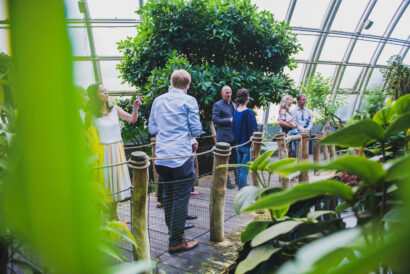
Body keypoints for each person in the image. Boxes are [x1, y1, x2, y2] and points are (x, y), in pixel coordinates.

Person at [149, 69, 202, 253]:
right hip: (181, 157)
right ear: (187, 85)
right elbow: (195, 130)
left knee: (169, 197)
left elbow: (152, 128)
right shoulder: (189, 101)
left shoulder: (158, 100)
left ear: (171, 82)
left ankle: (174, 234)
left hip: (162, 157)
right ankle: (176, 241)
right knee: (181, 198)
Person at [85, 83, 142, 220]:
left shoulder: (115, 109)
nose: (106, 92)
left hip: (117, 149)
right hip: (101, 151)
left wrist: (135, 108)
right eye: (101, 91)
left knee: (115, 183)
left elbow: (132, 119)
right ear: (95, 95)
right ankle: (97, 218)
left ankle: (113, 216)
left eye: (106, 90)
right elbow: (86, 135)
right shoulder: (90, 114)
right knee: (102, 183)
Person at [212, 86, 238, 189]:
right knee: (224, 161)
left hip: (234, 137)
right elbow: (215, 120)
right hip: (223, 138)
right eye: (227, 93)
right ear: (222, 93)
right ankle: (226, 182)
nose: (229, 95)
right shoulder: (217, 105)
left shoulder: (234, 105)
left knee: (236, 160)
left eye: (230, 92)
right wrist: (229, 120)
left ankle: (238, 180)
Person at [233, 88, 257, 190]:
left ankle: (241, 187)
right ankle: (242, 191)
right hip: (247, 145)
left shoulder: (236, 112)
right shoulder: (249, 112)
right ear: (247, 98)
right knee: (244, 170)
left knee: (240, 168)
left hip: (238, 144)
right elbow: (254, 129)